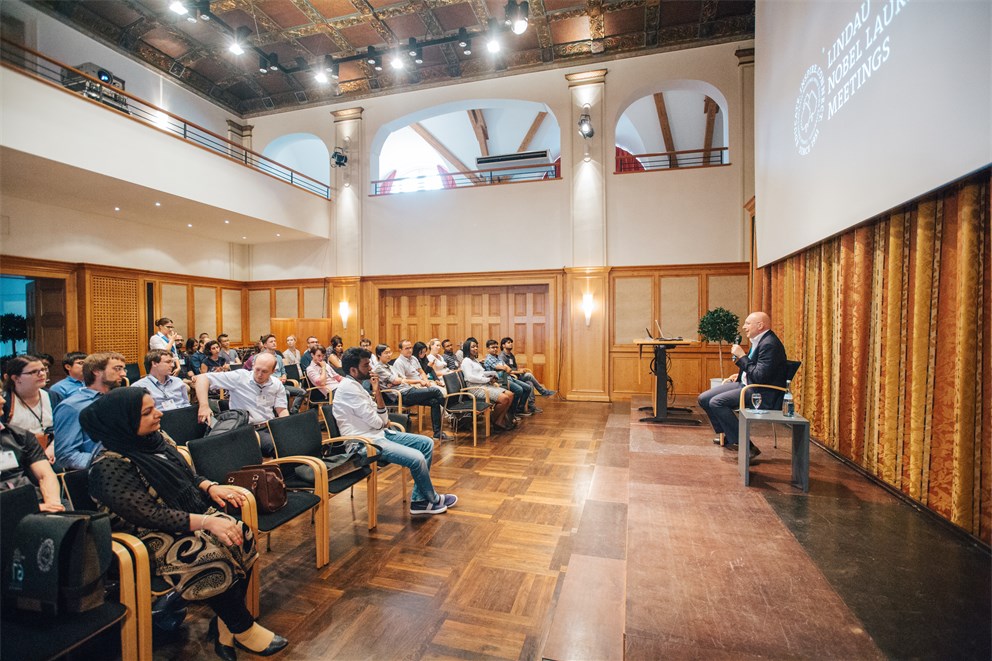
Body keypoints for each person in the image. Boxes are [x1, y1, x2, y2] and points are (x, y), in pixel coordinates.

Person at [82, 388, 287, 659]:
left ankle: (227, 625)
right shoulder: (108, 466)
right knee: (209, 556)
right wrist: (206, 522)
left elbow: (185, 474)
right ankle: (243, 628)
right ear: (124, 421)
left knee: (241, 534)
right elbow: (147, 515)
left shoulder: (156, 439)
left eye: (154, 407)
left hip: (184, 514)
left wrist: (209, 486)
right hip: (144, 538)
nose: (159, 414)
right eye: (147, 412)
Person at [333, 348, 457, 516]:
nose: (370, 368)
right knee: (417, 457)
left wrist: (377, 393)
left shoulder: (358, 386)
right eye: (366, 365)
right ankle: (431, 498)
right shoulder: (349, 389)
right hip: (363, 444)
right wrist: (381, 416)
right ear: (353, 370)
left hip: (378, 435)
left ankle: (420, 500)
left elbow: (379, 420)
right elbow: (378, 422)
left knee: (426, 443)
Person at [697, 311, 788, 459]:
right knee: (704, 398)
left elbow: (760, 376)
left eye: (747, 323)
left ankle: (747, 446)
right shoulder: (758, 340)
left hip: (761, 392)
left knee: (717, 402)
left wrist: (742, 356)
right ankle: (729, 433)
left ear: (760, 325)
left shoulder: (770, 344)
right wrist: (740, 374)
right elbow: (755, 368)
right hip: (747, 383)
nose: (744, 327)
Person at [193, 353, 287, 457]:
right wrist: (204, 406)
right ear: (253, 365)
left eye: (264, 371)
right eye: (257, 369)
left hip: (268, 426)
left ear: (273, 371)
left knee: (293, 442)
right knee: (280, 447)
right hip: (246, 429)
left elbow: (281, 410)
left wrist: (286, 428)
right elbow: (202, 378)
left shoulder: (276, 384)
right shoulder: (240, 377)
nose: (259, 374)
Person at [0, 390, 64, 511]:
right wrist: (35, 508)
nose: (3, 400)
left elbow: (45, 475)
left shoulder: (20, 435)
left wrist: (53, 504)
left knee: (94, 523)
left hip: (33, 498)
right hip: (7, 509)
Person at [381, 341, 449, 441]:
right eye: (406, 348)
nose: (410, 350)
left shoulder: (413, 358)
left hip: (414, 389)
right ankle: (452, 411)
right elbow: (402, 381)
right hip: (405, 393)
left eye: (411, 347)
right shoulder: (398, 363)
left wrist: (426, 382)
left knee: (434, 401)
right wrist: (419, 382)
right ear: (400, 350)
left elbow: (421, 371)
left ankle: (437, 433)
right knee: (436, 391)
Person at [2, 355, 60, 464]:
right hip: (15, 456)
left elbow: (63, 428)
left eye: (43, 370)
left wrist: (52, 448)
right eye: (34, 372)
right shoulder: (5, 401)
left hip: (50, 452)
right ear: (16, 378)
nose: (42, 374)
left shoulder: (53, 397)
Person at [459, 339, 514, 431]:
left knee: (510, 395)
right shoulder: (466, 361)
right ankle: (495, 420)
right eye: (473, 347)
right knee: (504, 399)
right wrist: (488, 379)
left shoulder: (474, 360)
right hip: (475, 388)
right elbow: (470, 378)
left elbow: (481, 373)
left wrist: (492, 374)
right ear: (467, 348)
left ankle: (498, 421)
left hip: (484, 385)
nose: (475, 348)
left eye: (476, 346)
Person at [243, 335, 305, 415]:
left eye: (275, 341)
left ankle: (293, 413)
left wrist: (284, 376)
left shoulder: (278, 357)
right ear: (265, 345)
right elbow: (257, 374)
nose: (274, 343)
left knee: (302, 392)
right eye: (271, 342)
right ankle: (279, 416)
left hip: (281, 384)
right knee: (285, 393)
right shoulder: (259, 357)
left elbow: (283, 371)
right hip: (267, 385)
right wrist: (276, 379)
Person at [484, 339, 535, 416]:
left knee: (528, 387)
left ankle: (519, 409)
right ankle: (511, 413)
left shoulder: (498, 358)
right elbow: (504, 368)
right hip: (499, 381)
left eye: (496, 347)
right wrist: (504, 368)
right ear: (488, 349)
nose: (495, 349)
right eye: (492, 347)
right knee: (519, 390)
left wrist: (504, 368)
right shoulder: (489, 359)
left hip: (508, 378)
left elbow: (509, 369)